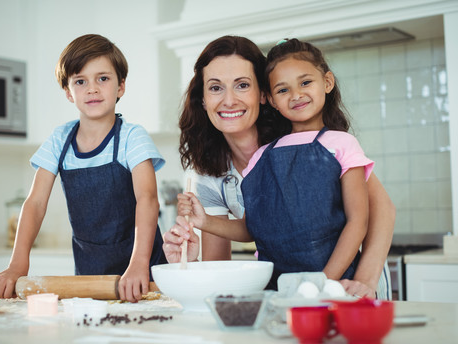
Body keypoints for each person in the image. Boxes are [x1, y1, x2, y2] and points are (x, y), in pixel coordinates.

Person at [163, 35, 395, 299]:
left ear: (264, 94)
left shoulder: (306, 136)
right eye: (216, 88)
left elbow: (380, 210)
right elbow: (221, 269)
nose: (229, 100)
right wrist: (191, 261)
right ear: (202, 99)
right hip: (288, 294)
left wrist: (361, 280)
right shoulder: (208, 172)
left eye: (242, 85)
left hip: (351, 283)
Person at [0, 34, 165, 302]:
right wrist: (18, 264)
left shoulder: (133, 138)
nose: (92, 88)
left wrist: (139, 265)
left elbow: (148, 199)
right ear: (68, 92)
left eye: (103, 78)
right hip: (90, 275)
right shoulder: (59, 140)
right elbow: (35, 203)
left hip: (145, 272)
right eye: (80, 81)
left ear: (121, 86)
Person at [239, 38, 370, 288]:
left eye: (306, 82)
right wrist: (204, 221)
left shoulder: (342, 144)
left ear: (327, 82)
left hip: (334, 286)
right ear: (270, 99)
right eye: (283, 90)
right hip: (275, 288)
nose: (296, 95)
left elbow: (358, 222)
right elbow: (249, 229)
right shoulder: (259, 157)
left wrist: (322, 282)